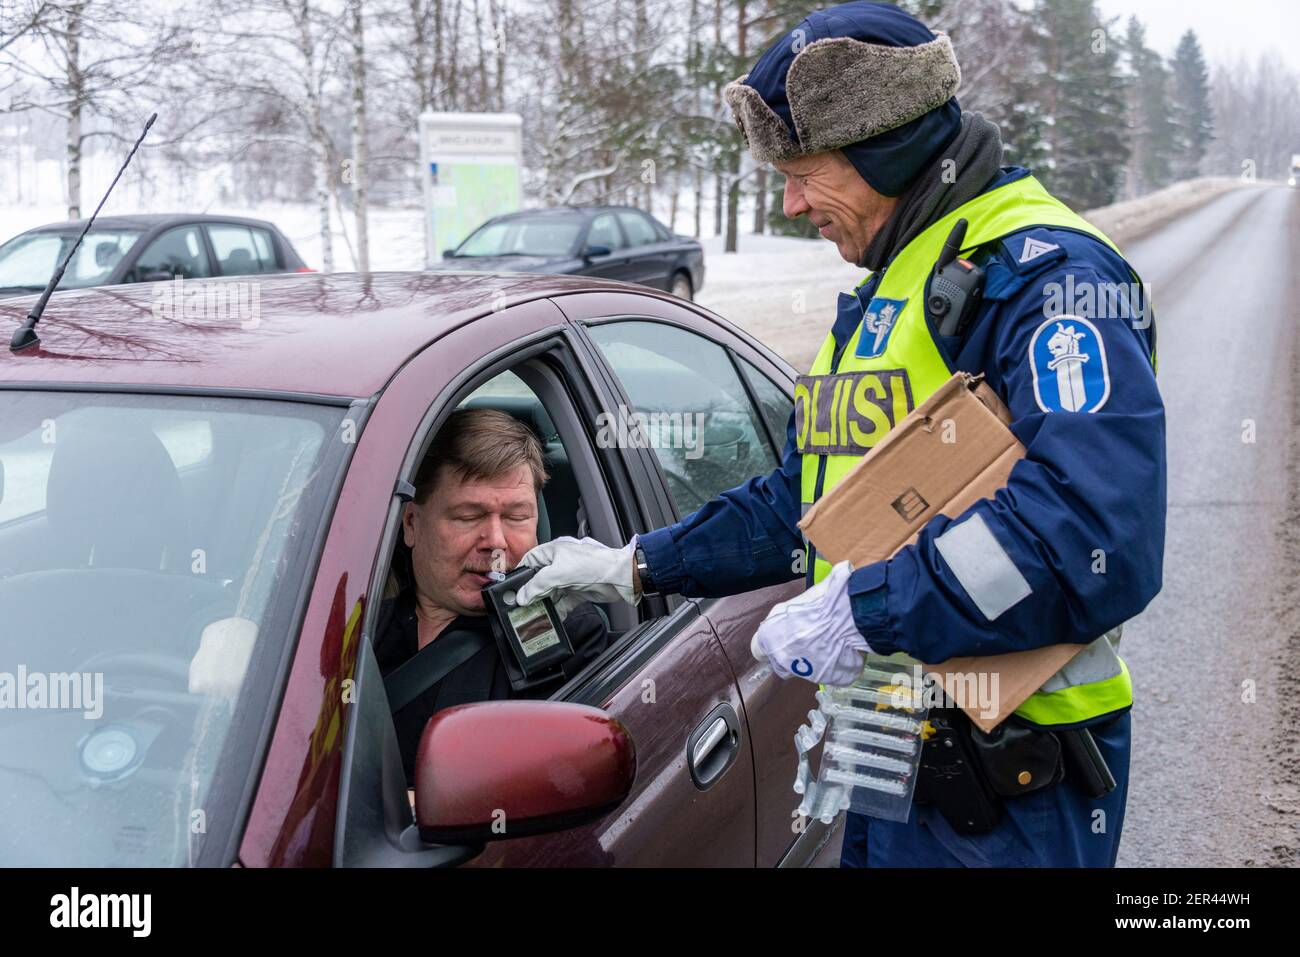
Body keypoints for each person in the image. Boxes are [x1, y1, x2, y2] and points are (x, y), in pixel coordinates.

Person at [515, 0, 1165, 867]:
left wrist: (866, 608)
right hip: (890, 760)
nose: (789, 204)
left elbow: (1095, 535)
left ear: (885, 148)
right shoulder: (893, 284)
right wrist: (636, 563)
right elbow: (808, 503)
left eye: (806, 171)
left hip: (1010, 793)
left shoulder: (1044, 278)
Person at [374, 408, 610, 784]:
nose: (496, 543)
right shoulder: (357, 633)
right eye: (468, 517)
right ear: (411, 524)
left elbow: (553, 787)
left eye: (516, 517)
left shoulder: (568, 636)